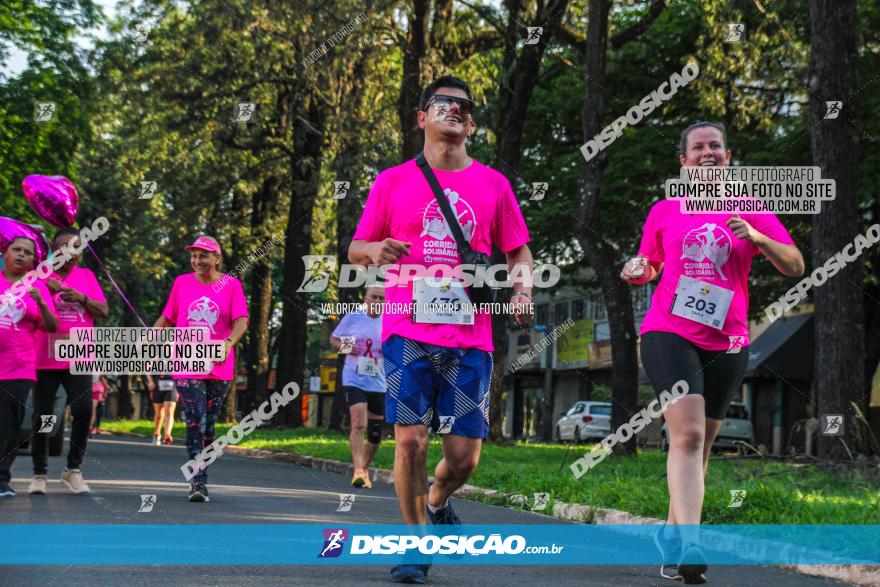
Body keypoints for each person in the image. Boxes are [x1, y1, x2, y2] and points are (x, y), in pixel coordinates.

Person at [349, 75, 534, 583]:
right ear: (422, 118)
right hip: (406, 331)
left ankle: (436, 499)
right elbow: (356, 247)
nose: (453, 111)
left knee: (463, 460)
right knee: (409, 442)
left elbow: (517, 249)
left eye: (463, 107)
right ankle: (414, 544)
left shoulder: (493, 185)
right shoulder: (391, 181)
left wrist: (522, 291)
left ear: (471, 124)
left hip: (470, 336)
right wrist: (375, 253)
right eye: (442, 104)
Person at [621, 121, 805, 584]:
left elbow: (795, 265)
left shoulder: (750, 208)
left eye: (715, 146)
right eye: (697, 147)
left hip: (728, 339)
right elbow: (649, 265)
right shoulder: (664, 210)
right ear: (683, 162)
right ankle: (692, 543)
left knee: (701, 447)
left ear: (728, 156)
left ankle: (671, 531)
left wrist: (759, 237)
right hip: (668, 331)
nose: (707, 153)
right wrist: (637, 269)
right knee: (686, 436)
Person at [155, 236, 248, 502]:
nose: (197, 261)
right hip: (186, 360)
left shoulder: (230, 285)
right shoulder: (181, 283)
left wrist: (228, 342)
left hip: (218, 364)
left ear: (217, 258)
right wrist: (149, 338)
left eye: (203, 255)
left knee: (208, 426)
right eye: (194, 256)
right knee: (195, 420)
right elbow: (168, 316)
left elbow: (241, 320)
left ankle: (200, 473)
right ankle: (198, 481)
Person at [28, 228, 108, 495]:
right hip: (44, 354)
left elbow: (104, 311)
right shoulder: (40, 276)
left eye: (76, 247)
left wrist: (81, 297)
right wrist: (48, 293)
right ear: (53, 248)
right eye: (64, 247)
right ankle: (40, 473)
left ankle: (72, 469)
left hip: (79, 356)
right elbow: (27, 310)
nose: (70, 252)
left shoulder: (86, 277)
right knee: (44, 415)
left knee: (84, 410)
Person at [0, 236, 57, 497]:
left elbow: (51, 326)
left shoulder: (36, 287)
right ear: (5, 252)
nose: (21, 255)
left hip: (18, 368)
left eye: (27, 252)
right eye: (16, 249)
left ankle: (1, 478)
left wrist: (42, 302)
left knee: (9, 424)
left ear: (34, 260)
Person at [330, 286, 387, 488]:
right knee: (358, 424)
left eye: (382, 298)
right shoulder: (354, 316)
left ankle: (364, 469)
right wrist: (347, 347)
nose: (378, 301)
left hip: (379, 381)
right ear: (366, 297)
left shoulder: (390, 319)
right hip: (354, 378)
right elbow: (334, 339)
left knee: (375, 433)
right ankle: (358, 470)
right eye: (374, 297)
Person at [148, 375, 178, 446]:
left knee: (169, 412)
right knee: (159, 413)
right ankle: (157, 434)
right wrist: (150, 381)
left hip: (172, 384)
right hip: (158, 384)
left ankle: (167, 435)